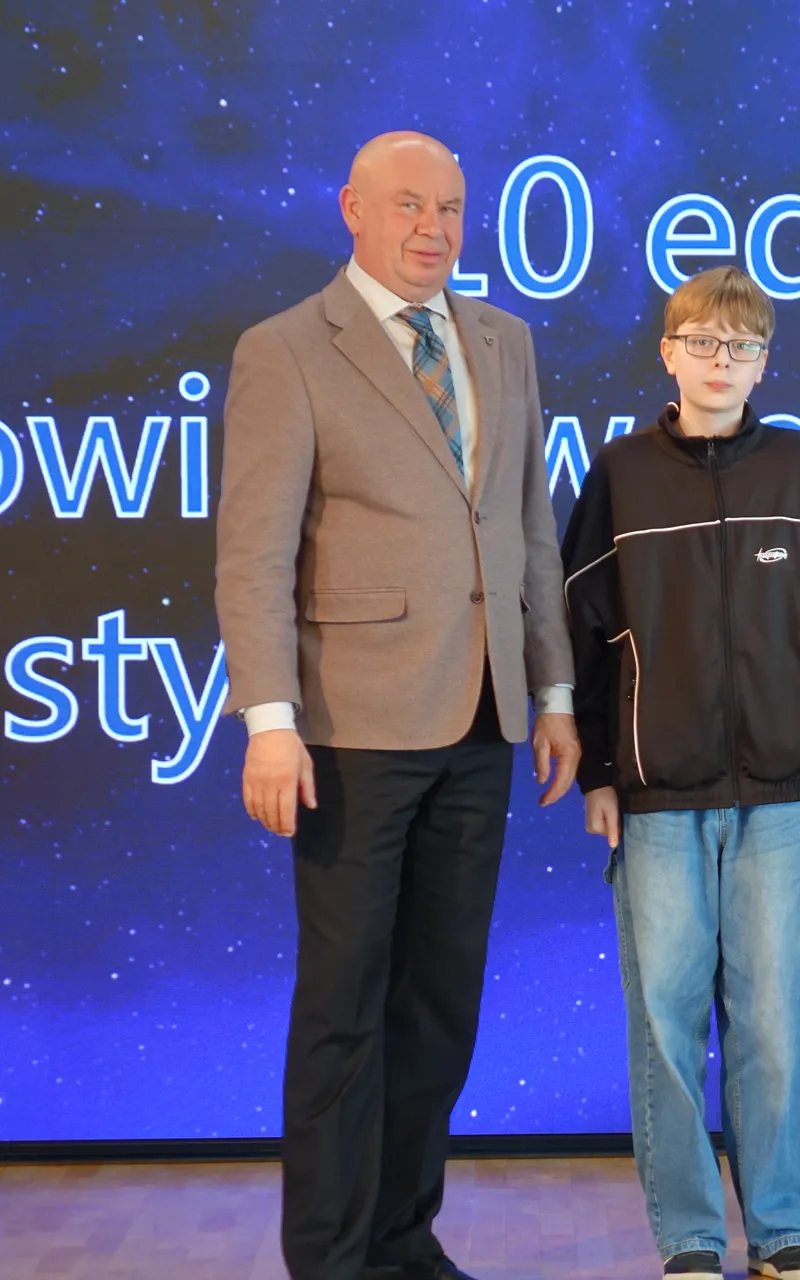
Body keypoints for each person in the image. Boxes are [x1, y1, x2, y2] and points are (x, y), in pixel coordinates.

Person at [215, 131, 580, 1280]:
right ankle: (329, 1256)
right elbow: (253, 554)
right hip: (349, 730)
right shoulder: (286, 348)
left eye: (452, 207)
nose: (435, 227)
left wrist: (554, 689)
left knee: (439, 1003)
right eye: (410, 205)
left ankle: (400, 1237)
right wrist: (269, 720)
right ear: (353, 210)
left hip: (483, 720)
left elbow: (528, 527)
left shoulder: (504, 340)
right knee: (344, 1005)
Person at [561, 265, 800, 1280]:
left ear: (764, 361)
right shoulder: (619, 474)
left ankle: (782, 1228)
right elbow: (581, 633)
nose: (721, 361)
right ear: (669, 352)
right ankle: (690, 1236)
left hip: (781, 795)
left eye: (741, 346)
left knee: (774, 1025)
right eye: (703, 342)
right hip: (656, 798)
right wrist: (600, 769)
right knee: (665, 1025)